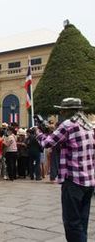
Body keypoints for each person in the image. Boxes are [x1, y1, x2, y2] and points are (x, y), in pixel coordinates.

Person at [37, 98, 95, 241]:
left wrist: (38, 133)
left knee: (72, 224)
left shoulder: (68, 125)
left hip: (73, 180)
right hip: (89, 180)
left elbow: (46, 143)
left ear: (69, 111)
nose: (61, 112)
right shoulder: (89, 126)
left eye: (62, 110)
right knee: (82, 221)